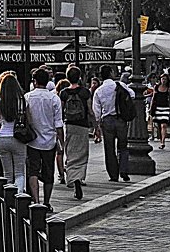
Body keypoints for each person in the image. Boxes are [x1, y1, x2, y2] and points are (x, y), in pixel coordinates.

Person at [25, 68, 63, 211]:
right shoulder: (54, 98)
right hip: (49, 140)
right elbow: (58, 123)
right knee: (49, 173)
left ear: (34, 81)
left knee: (33, 170)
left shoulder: (28, 97)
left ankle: (36, 200)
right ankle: (47, 202)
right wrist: (61, 142)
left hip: (32, 140)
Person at [58, 66, 92, 202]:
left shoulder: (63, 93)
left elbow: (59, 112)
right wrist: (96, 127)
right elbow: (90, 111)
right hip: (83, 126)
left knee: (70, 152)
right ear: (79, 77)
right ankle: (79, 177)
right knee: (82, 154)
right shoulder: (85, 92)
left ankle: (72, 178)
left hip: (69, 125)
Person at [92, 66, 132, 183]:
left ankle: (113, 174)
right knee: (123, 146)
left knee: (109, 149)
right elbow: (132, 94)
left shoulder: (99, 90)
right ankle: (123, 169)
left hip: (107, 120)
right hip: (120, 119)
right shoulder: (119, 85)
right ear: (110, 73)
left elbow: (96, 110)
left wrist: (97, 125)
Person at [0, 71, 27, 192]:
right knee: (20, 172)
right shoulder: (21, 100)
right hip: (18, 137)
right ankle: (19, 195)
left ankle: (9, 199)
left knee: (8, 174)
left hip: (2, 138)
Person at [148, 74, 170, 150]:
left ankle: (163, 142)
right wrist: (151, 108)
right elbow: (153, 98)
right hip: (157, 107)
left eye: (165, 79)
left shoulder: (168, 88)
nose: (163, 80)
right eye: (162, 79)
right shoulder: (156, 87)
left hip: (165, 107)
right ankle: (160, 138)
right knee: (158, 125)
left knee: (163, 125)